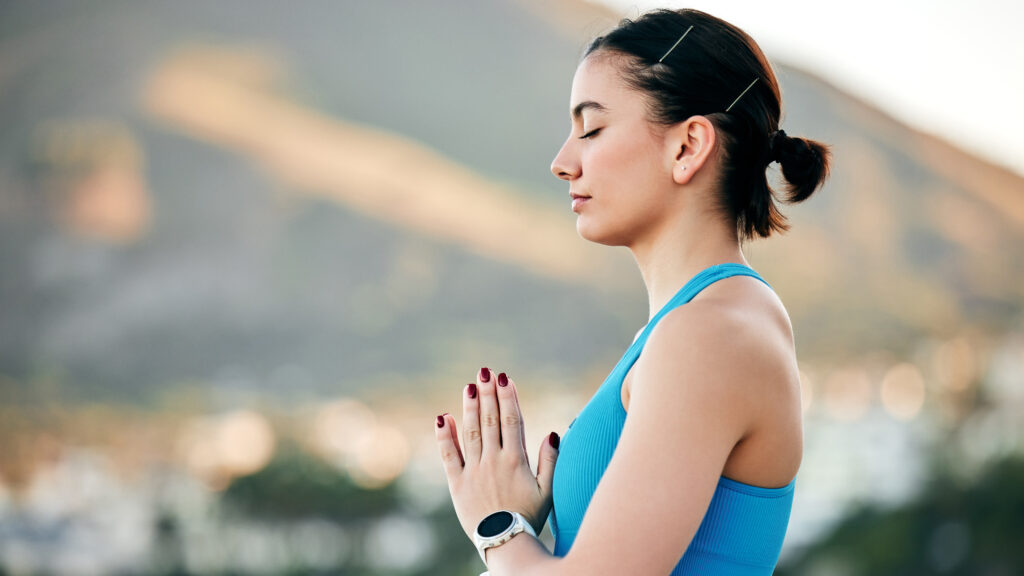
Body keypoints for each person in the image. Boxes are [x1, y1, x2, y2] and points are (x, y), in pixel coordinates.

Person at [434, 8, 830, 575]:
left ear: (688, 146)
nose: (561, 162)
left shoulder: (709, 334)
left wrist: (496, 525)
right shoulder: (695, 324)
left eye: (590, 129)